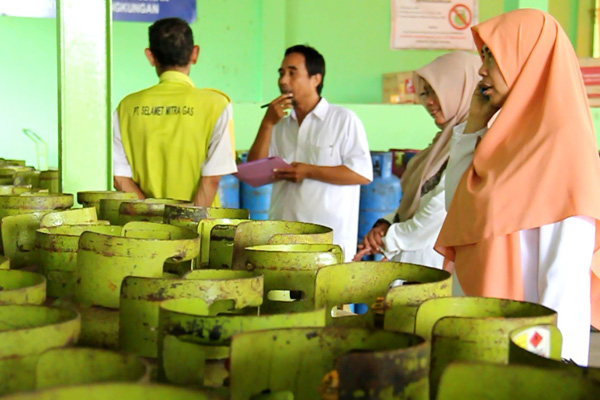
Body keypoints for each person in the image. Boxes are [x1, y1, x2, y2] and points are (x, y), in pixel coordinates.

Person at [436, 9, 600, 365]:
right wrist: (475, 124)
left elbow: (563, 281)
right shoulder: (504, 138)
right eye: (483, 57)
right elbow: (458, 206)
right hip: (482, 331)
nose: (481, 69)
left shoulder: (564, 150)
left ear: (528, 60)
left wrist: (551, 371)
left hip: (528, 352)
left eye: (492, 56)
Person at [354, 52, 481, 269]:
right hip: (413, 261)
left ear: (462, 91)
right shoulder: (442, 144)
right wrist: (386, 224)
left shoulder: (471, 146)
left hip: (436, 265)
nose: (429, 103)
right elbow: (419, 200)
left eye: (437, 93)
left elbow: (438, 213)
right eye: (425, 93)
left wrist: (389, 239)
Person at [247, 45, 372, 262]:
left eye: (292, 73)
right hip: (282, 241)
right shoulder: (279, 125)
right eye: (281, 73)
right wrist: (267, 123)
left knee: (328, 296)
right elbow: (253, 174)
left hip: (329, 246)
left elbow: (361, 173)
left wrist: (309, 171)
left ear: (315, 79)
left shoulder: (343, 120)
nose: (283, 80)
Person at [112, 17, 237, 206]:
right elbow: (211, 179)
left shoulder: (126, 107)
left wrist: (152, 216)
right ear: (195, 53)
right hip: (200, 229)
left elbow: (119, 178)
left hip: (144, 229)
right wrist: (187, 223)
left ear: (150, 56)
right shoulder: (217, 105)